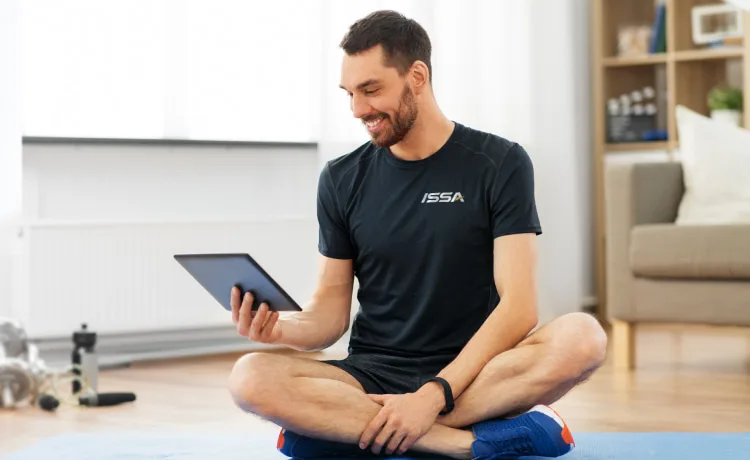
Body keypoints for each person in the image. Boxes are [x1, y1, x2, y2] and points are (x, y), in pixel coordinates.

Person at [227, 9, 607, 460]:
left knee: (583, 336)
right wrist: (278, 331)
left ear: (418, 76)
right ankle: (461, 444)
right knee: (250, 377)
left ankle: (358, 432)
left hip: (474, 373)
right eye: (350, 94)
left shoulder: (499, 162)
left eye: (371, 90)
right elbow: (330, 313)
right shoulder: (340, 178)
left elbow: (520, 308)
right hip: (372, 373)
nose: (358, 110)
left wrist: (433, 395)